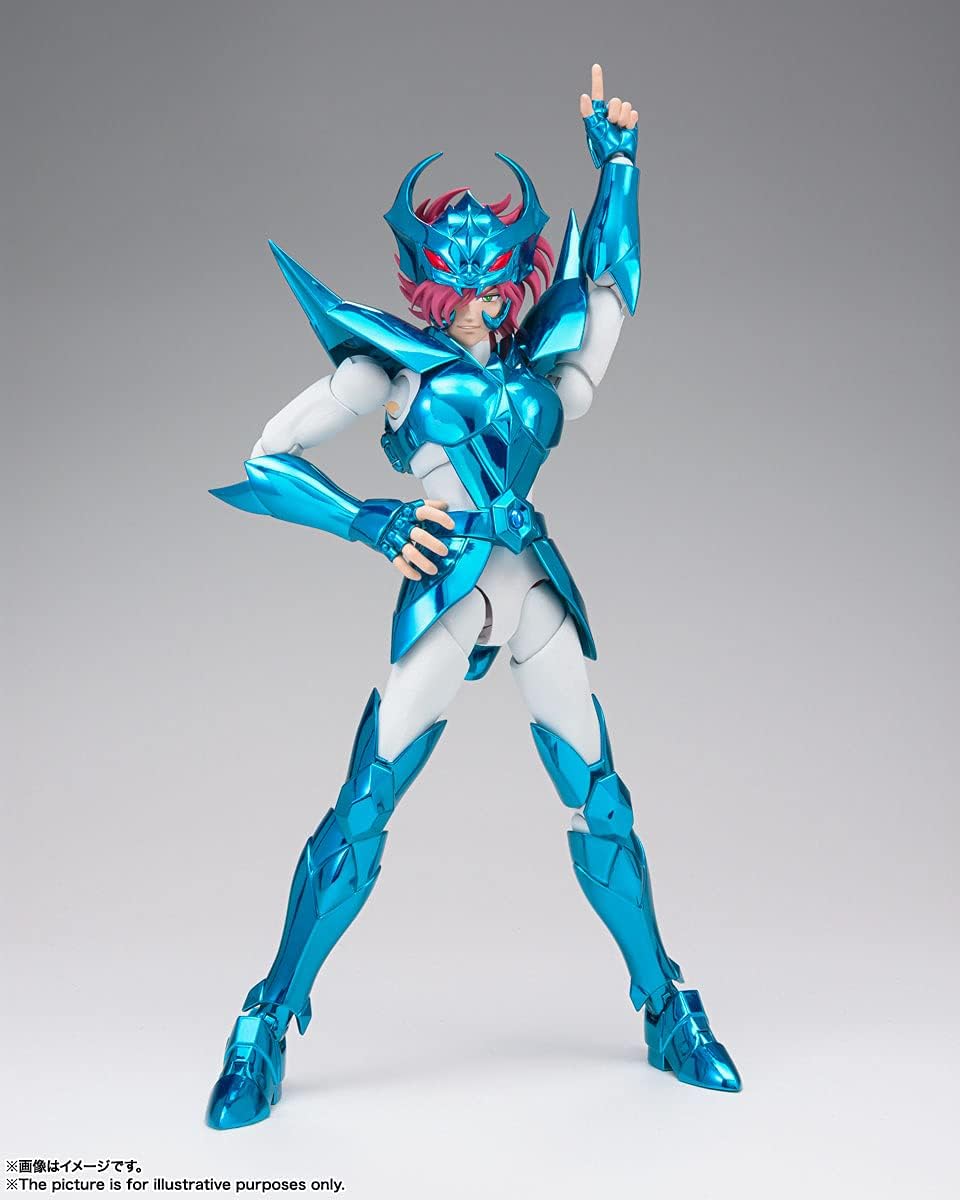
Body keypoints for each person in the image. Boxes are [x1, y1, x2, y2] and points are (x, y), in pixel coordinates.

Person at [206, 64, 741, 1131]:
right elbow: (267, 458)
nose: (476, 303)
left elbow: (610, 300)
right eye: (455, 290)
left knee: (603, 805)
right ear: (425, 288)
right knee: (363, 807)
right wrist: (370, 521)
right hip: (448, 592)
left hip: (529, 586)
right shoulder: (394, 371)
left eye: (492, 284)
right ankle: (265, 1020)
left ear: (514, 271)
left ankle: (666, 1006)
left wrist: (620, 167)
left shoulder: (543, 372)